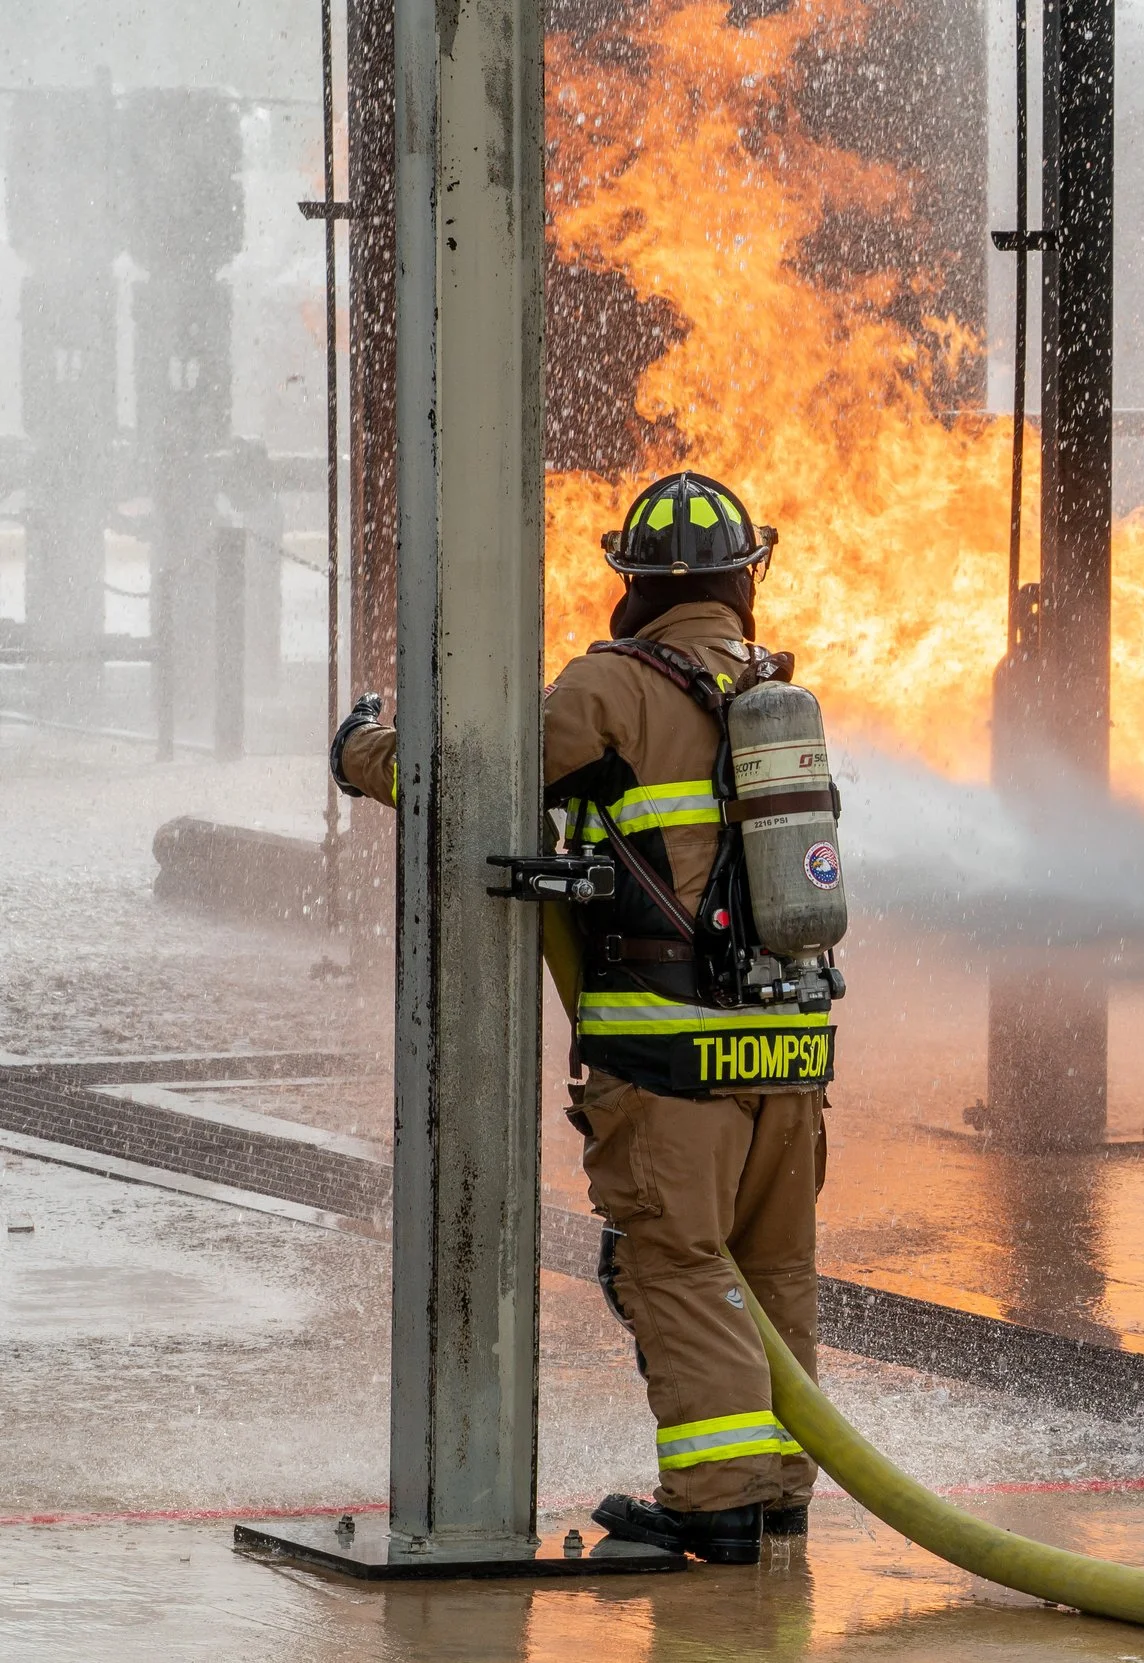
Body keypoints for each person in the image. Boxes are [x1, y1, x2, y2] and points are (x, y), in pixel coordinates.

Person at [331, 471, 835, 1562]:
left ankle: (721, 1500)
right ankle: (781, 1488)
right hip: (791, 1048)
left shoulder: (612, 688)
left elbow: (467, 776)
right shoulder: (768, 686)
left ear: (634, 583)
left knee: (675, 1262)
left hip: (670, 1050)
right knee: (774, 1266)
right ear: (747, 575)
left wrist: (359, 752)